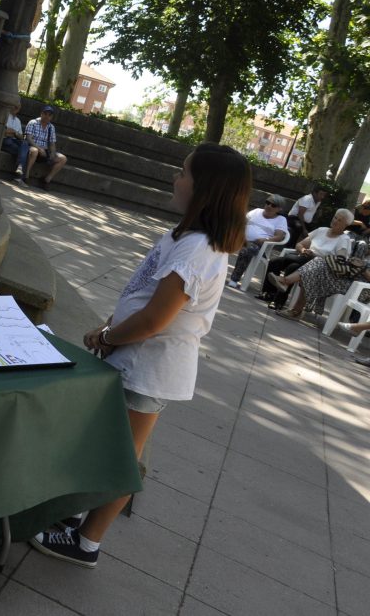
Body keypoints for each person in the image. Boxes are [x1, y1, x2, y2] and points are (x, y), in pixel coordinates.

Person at [29, 143, 251, 568]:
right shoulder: (183, 237)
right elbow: (143, 292)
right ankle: (73, 518)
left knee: (122, 457)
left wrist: (111, 337)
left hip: (147, 367)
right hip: (133, 358)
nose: (176, 178)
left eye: (184, 172)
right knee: (104, 445)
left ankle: (86, 543)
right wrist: (111, 326)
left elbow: (154, 320)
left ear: (205, 188)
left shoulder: (199, 250)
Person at [259, 208, 353, 306]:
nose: (335, 221)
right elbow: (299, 245)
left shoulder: (344, 240)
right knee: (275, 262)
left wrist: (315, 256)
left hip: (319, 267)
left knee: (293, 266)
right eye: (335, 218)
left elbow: (339, 260)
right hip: (303, 259)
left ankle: (278, 302)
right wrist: (303, 250)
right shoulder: (321, 230)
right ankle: (269, 294)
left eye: (339, 220)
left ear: (345, 225)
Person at [268, 243, 370, 319]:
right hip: (346, 279)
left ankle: (286, 283)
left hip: (359, 289)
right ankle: (293, 303)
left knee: (315, 270)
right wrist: (353, 263)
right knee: (318, 263)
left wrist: (364, 269)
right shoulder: (365, 251)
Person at [225, 195, 289, 287]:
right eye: (268, 203)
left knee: (247, 250)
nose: (269, 206)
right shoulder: (256, 211)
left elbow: (279, 237)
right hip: (240, 238)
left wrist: (266, 239)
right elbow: (241, 222)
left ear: (279, 209)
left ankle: (234, 279)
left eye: (273, 205)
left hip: (258, 245)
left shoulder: (281, 220)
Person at [21, 105, 68, 187]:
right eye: (45, 114)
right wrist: (39, 149)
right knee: (34, 151)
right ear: (41, 114)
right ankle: (25, 176)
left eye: (49, 115)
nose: (47, 116)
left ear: (51, 117)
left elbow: (52, 143)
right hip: (32, 147)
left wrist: (53, 153)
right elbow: (28, 138)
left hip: (45, 151)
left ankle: (46, 180)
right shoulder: (33, 123)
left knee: (63, 158)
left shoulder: (51, 127)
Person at [0, 103, 25, 179]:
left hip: (14, 140)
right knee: (23, 151)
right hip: (4, 140)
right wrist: (15, 133)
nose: (16, 108)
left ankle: (20, 166)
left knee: (25, 144)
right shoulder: (5, 116)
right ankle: (20, 170)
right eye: (15, 106)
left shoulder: (18, 121)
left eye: (18, 107)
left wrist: (13, 132)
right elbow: (4, 131)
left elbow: (21, 137)